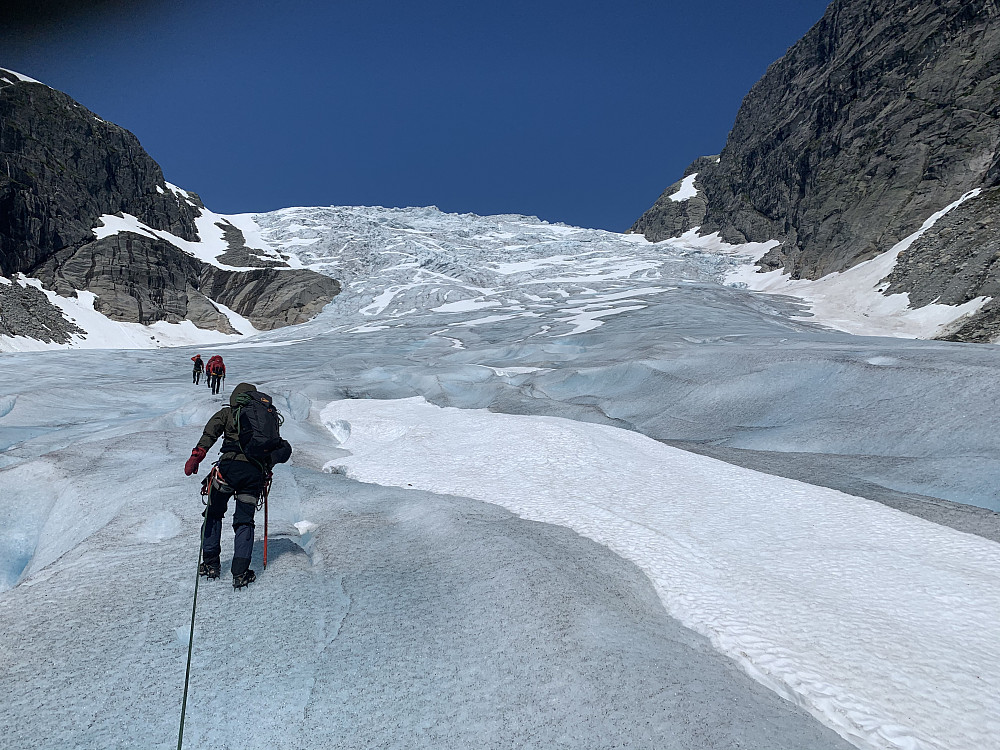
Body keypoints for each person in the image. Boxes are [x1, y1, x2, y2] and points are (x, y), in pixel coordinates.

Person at [183, 382, 292, 588]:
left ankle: (210, 565)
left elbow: (210, 435)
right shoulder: (264, 418)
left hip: (228, 469)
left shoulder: (227, 414)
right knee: (244, 521)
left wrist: (196, 456)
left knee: (213, 514)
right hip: (254, 473)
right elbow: (276, 445)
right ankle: (240, 574)